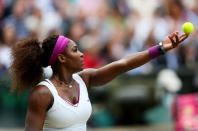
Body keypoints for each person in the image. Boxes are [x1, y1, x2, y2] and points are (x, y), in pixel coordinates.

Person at [10, 32, 188, 131]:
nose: (81, 54)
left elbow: (123, 64)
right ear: (62, 58)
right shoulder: (42, 94)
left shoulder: (84, 79)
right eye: (75, 50)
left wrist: (160, 49)